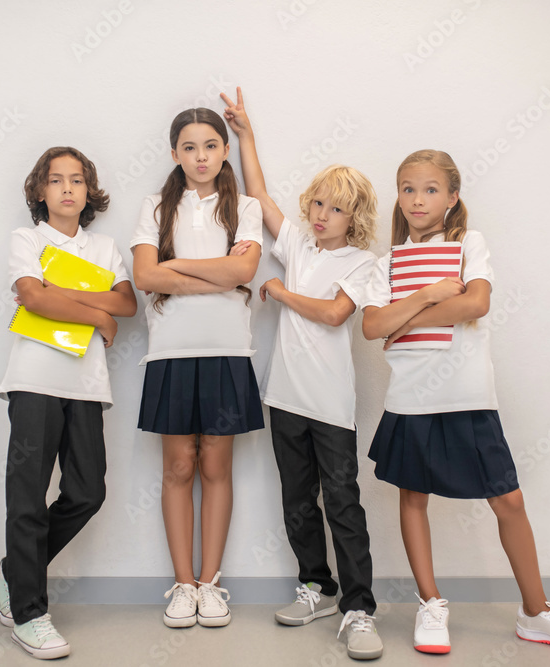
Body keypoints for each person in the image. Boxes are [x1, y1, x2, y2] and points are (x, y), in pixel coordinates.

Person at [361, 149, 550, 655]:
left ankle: (535, 611)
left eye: (430, 189)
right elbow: (370, 326)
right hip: (411, 400)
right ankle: (431, 604)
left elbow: (476, 303)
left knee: (508, 499)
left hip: (468, 394)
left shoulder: (469, 243)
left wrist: (402, 319)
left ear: (452, 198)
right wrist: (428, 296)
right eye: (408, 188)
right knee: (412, 497)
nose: (417, 199)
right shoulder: (385, 263)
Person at [221, 87, 383, 661]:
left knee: (342, 502)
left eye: (334, 208)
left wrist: (281, 291)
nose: (320, 215)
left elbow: (336, 314)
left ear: (354, 217)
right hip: (284, 400)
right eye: (316, 203)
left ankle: (359, 610)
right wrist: (244, 134)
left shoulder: (363, 262)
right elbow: (259, 194)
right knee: (297, 500)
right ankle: (315, 586)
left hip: (330, 406)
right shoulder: (301, 245)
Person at [0, 146, 137, 659]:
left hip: (87, 387)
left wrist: (68, 297)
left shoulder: (105, 246)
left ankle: (12, 571)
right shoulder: (27, 238)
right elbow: (33, 297)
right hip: (33, 380)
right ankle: (30, 614)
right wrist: (97, 316)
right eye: (57, 180)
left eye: (77, 180)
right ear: (40, 190)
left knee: (87, 492)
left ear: (89, 191)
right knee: (27, 497)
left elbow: (127, 303)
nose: (68, 188)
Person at [130, 107, 264, 629]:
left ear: (225, 150)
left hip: (229, 351)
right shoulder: (155, 207)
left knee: (216, 467)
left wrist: (176, 266)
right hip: (170, 354)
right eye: (190, 147)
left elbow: (244, 270)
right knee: (179, 467)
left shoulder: (245, 207)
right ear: (174, 154)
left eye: (211, 145)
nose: (201, 156)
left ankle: (211, 586)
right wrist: (218, 277)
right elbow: (144, 276)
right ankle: (183, 586)